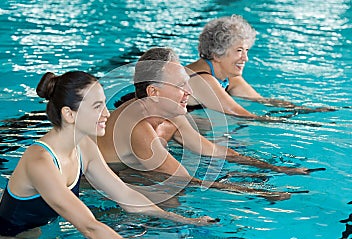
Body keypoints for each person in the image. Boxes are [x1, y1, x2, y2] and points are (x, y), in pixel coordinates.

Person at [0, 71, 220, 239]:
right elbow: (89, 226)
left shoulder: (85, 146)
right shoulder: (41, 162)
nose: (107, 113)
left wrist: (184, 219)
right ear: (69, 114)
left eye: (104, 104)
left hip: (34, 231)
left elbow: (125, 196)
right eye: (96, 107)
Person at [97, 47, 322, 202]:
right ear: (154, 92)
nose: (190, 91)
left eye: (187, 83)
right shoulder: (139, 129)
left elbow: (213, 150)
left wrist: (277, 169)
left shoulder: (170, 112)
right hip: (98, 184)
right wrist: (254, 192)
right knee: (173, 199)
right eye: (180, 85)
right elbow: (186, 179)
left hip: (133, 170)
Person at [185, 15, 334, 118]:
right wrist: (295, 124)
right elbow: (240, 114)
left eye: (246, 50)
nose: (245, 58)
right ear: (217, 54)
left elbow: (263, 101)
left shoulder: (226, 76)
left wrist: (307, 110)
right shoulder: (202, 79)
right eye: (238, 51)